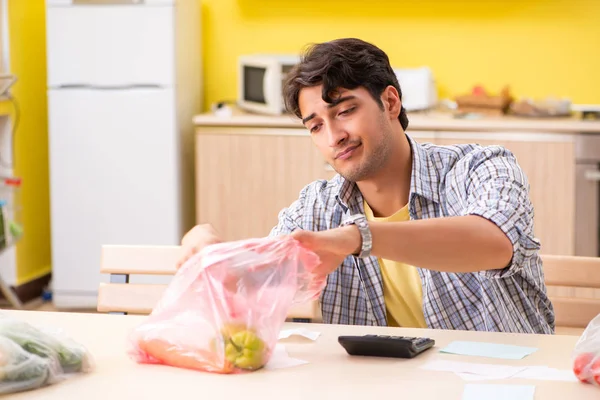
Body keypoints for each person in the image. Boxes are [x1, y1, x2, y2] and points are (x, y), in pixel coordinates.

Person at [179, 38, 555, 334]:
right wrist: (209, 248)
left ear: (390, 102)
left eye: (344, 111)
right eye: (315, 126)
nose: (334, 137)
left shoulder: (478, 168)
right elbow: (256, 284)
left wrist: (356, 238)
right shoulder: (318, 208)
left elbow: (494, 243)